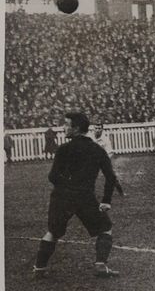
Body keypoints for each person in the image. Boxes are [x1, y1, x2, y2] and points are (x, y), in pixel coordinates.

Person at [32, 112, 123, 278]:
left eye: (66, 124)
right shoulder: (97, 150)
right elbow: (111, 177)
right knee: (105, 229)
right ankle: (101, 265)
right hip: (85, 197)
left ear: (76, 128)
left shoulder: (64, 149)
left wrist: (68, 186)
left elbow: (52, 176)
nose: (63, 128)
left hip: (61, 197)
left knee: (53, 232)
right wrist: (106, 201)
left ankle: (39, 269)